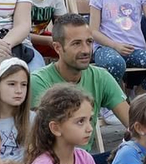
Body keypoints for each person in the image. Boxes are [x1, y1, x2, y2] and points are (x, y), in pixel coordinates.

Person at [29, 15, 132, 156]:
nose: (85, 50)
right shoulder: (39, 82)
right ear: (58, 48)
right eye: (76, 43)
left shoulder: (101, 76)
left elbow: (134, 124)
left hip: (87, 161)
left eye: (89, 42)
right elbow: (44, 143)